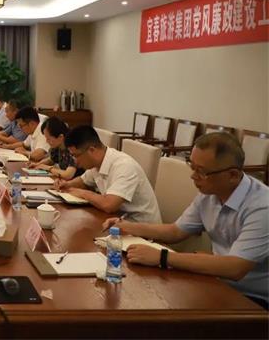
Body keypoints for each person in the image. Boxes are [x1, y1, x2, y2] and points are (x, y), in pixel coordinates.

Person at [103, 132, 268, 309]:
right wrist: (129, 227)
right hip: (216, 281)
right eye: (192, 167)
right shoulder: (209, 195)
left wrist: (162, 257)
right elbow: (176, 232)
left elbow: (235, 268)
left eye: (201, 171)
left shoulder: (262, 206)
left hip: (253, 299)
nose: (193, 176)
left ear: (233, 175)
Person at [55, 125, 161, 224]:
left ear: (91, 150)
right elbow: (83, 181)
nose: (75, 161)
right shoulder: (97, 163)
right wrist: (67, 185)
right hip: (117, 221)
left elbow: (109, 205)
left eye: (76, 155)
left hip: (141, 229)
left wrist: (81, 193)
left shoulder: (124, 166)